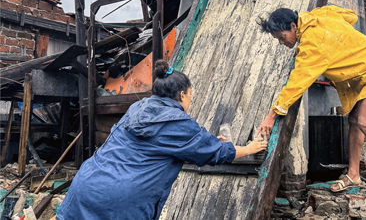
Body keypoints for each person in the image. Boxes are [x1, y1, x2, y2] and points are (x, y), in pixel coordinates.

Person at [57, 60, 268, 220]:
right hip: (119, 203)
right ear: (183, 95)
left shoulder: (137, 108)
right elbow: (217, 153)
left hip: (84, 186)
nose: (190, 101)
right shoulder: (178, 121)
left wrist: (205, 142)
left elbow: (159, 146)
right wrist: (249, 148)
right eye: (190, 96)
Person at [257, 6, 366, 193]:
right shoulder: (321, 14)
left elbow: (296, 83)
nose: (281, 43)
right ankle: (354, 175)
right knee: (354, 121)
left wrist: (271, 116)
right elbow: (351, 16)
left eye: (282, 37)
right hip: (364, 70)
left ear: (293, 26)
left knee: (365, 122)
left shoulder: (311, 45)